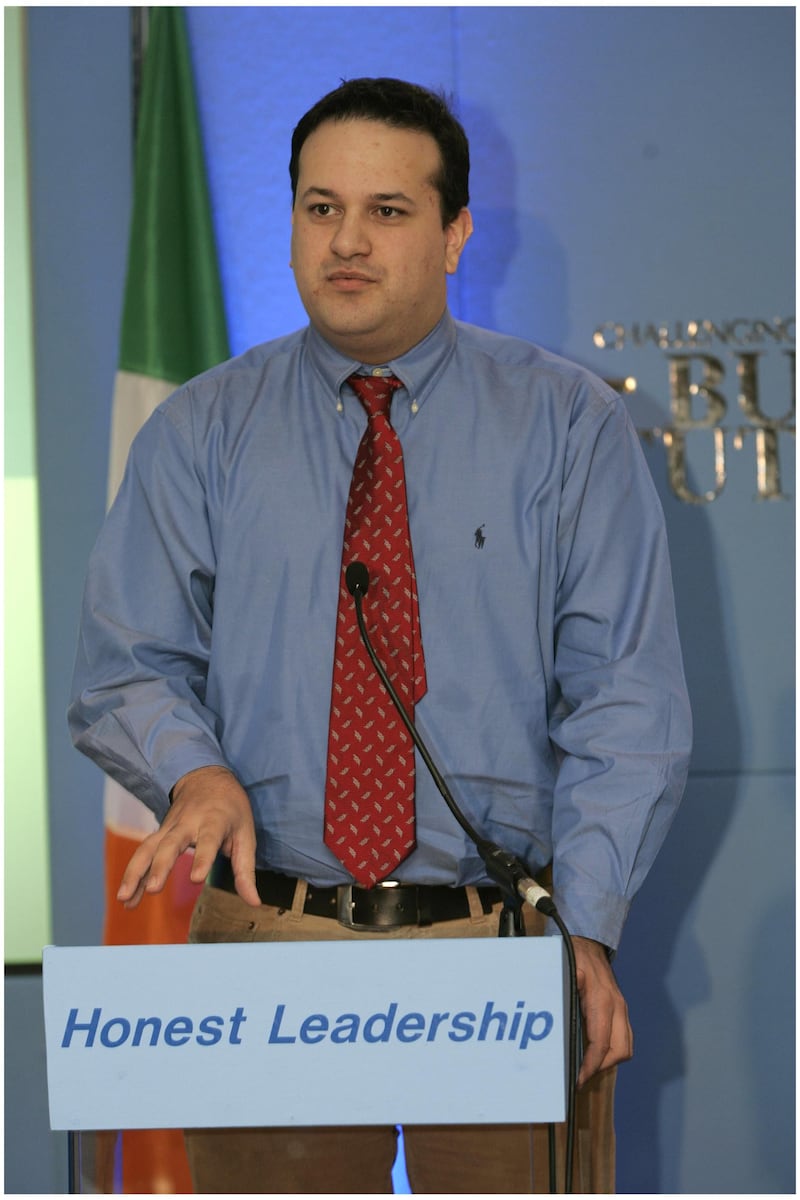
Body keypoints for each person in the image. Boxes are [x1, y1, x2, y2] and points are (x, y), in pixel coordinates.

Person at [69, 77, 691, 1193]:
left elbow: (625, 701)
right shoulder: (199, 430)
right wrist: (194, 770)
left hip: (494, 950)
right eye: (319, 208)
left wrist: (582, 934)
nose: (346, 241)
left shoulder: (566, 422)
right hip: (271, 937)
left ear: (454, 234)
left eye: (388, 211)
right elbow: (127, 664)